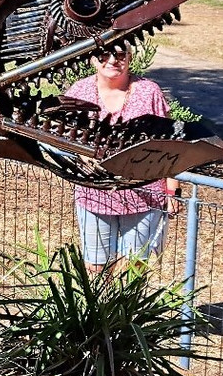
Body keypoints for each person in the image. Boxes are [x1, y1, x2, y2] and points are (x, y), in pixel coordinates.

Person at [65, 47, 181, 273]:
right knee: (96, 267)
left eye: (120, 55)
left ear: (130, 57)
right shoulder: (79, 92)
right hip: (94, 194)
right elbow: (64, 138)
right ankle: (101, 308)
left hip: (144, 194)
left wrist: (172, 189)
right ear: (92, 58)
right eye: (104, 55)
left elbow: (169, 142)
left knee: (135, 266)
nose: (112, 61)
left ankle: (127, 309)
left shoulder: (149, 92)